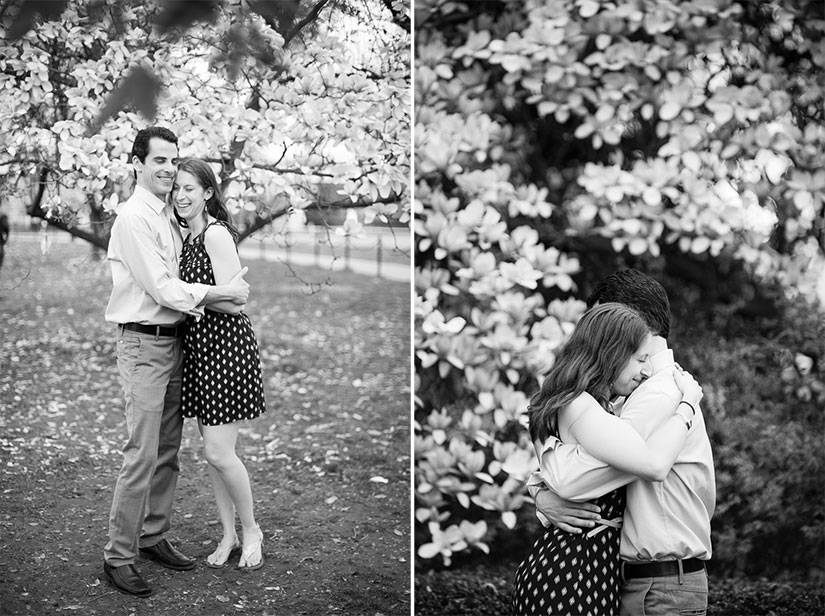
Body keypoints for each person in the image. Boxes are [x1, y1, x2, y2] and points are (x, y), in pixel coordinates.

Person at [103, 127, 250, 597]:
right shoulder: (132, 219)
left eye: (174, 160)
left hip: (177, 343)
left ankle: (152, 536)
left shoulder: (170, 215)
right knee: (142, 453)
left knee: (168, 453)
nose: (168, 169)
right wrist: (221, 293)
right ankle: (119, 556)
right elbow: (163, 288)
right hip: (144, 345)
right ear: (138, 163)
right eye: (159, 160)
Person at [528, 269, 716, 616]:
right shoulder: (620, 394)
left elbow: (577, 479)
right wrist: (540, 492)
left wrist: (544, 488)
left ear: (630, 325)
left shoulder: (658, 393)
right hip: (638, 580)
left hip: (661, 586)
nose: (591, 335)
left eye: (602, 321)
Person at [172, 157, 267, 570]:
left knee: (218, 451)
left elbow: (236, 301)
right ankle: (227, 534)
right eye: (176, 188)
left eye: (189, 188)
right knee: (214, 454)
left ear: (208, 192)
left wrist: (192, 294)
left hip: (226, 348)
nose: (180, 195)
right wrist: (202, 295)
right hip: (201, 351)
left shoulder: (214, 236)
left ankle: (252, 530)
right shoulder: (188, 239)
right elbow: (220, 294)